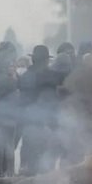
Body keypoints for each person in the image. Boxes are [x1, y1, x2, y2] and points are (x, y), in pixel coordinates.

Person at [18, 45, 60, 175]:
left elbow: (22, 100)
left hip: (31, 120)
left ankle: (29, 176)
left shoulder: (26, 76)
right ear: (45, 60)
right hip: (44, 121)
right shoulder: (52, 76)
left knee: (31, 151)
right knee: (45, 153)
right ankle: (43, 179)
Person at [0, 42, 20, 177]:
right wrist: (11, 80)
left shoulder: (11, 66)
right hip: (0, 110)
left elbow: (16, 84)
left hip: (10, 110)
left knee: (8, 144)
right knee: (0, 144)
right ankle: (0, 172)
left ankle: (9, 172)